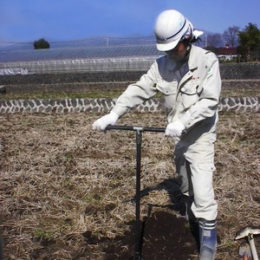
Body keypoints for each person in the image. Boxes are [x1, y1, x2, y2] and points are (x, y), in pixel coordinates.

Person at [92, 9, 221, 260]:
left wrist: (183, 120)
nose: (171, 53)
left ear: (187, 39)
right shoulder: (161, 66)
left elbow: (209, 102)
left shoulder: (208, 61)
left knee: (203, 191)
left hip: (201, 134)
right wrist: (115, 113)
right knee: (185, 182)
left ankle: (208, 239)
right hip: (180, 136)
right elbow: (140, 88)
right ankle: (189, 215)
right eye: (167, 49)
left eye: (175, 47)